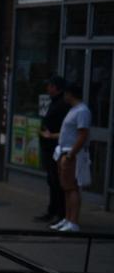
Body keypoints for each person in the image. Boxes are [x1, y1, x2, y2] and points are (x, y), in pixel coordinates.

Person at [44, 82, 91, 232]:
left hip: (71, 154)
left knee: (72, 188)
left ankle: (73, 222)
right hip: (64, 151)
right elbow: (69, 133)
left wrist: (71, 154)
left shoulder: (82, 111)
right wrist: (53, 136)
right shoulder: (74, 110)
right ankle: (67, 218)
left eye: (66, 93)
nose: (64, 96)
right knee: (66, 187)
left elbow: (83, 135)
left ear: (70, 94)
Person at [37, 75, 69, 225]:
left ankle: (60, 213)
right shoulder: (55, 102)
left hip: (55, 148)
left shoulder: (62, 104)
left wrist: (50, 136)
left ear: (56, 87)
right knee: (51, 181)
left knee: (57, 182)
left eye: (50, 86)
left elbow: (64, 129)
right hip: (49, 147)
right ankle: (52, 211)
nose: (47, 88)